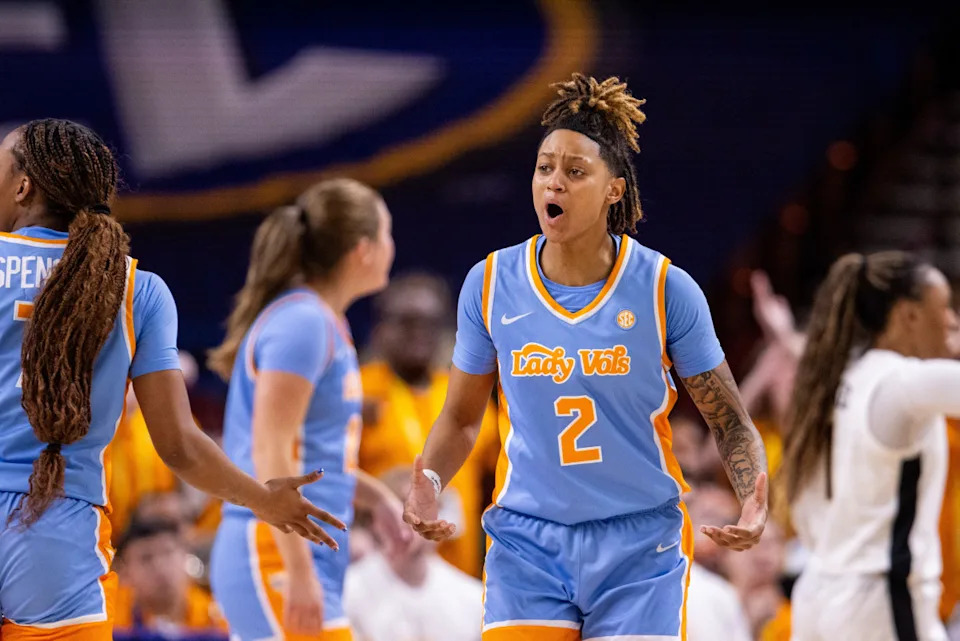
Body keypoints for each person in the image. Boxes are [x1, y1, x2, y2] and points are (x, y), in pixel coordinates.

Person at [403, 73, 768, 640]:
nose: (555, 183)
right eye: (545, 167)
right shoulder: (491, 283)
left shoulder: (665, 289)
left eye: (576, 172)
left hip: (639, 544)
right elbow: (461, 416)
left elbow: (729, 421)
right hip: (528, 539)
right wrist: (428, 476)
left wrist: (752, 497)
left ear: (614, 190)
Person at [0, 119, 340, 641]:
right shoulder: (138, 290)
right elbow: (179, 446)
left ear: (23, 186)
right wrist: (261, 499)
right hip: (56, 533)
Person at [208, 178, 410, 641]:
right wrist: (299, 571)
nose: (392, 246)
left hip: (299, 549)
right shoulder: (303, 322)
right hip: (273, 549)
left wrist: (377, 498)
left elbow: (309, 457)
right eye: (387, 233)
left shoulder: (323, 320)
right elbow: (269, 450)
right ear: (363, 250)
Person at [782, 251, 960, 641]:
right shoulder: (904, 384)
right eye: (944, 307)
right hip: (878, 602)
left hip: (819, 592)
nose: (952, 320)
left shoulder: (837, 380)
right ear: (908, 316)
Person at [360, 272, 499, 577]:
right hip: (380, 573)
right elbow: (332, 480)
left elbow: (501, 474)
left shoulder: (465, 391)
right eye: (407, 322)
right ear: (381, 328)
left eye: (429, 323)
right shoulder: (359, 391)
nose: (419, 333)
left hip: (459, 578)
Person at [344, 466, 483, 641]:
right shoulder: (347, 592)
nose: (412, 521)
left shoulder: (473, 600)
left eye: (422, 509)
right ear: (376, 519)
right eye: (400, 508)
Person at [113, 518, 226, 636]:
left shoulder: (218, 618)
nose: (160, 566)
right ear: (125, 572)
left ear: (186, 555)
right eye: (146, 558)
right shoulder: (110, 623)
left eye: (167, 552)